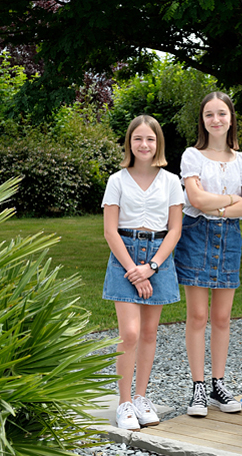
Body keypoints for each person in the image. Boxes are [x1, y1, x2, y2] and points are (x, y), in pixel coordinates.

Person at [174, 92, 242, 417]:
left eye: (222, 114)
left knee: (222, 317)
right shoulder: (192, 156)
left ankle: (217, 384)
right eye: (209, 114)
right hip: (196, 235)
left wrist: (218, 205)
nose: (216, 120)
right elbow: (194, 199)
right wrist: (230, 201)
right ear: (203, 120)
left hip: (229, 239)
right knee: (197, 316)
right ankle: (197, 387)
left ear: (231, 118)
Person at [102, 115, 184, 430]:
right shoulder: (117, 180)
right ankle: (123, 403)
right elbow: (110, 231)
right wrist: (133, 270)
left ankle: (140, 397)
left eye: (150, 139)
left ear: (158, 143)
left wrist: (150, 267)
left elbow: (175, 229)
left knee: (149, 333)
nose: (144, 144)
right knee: (130, 334)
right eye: (138, 139)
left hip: (158, 258)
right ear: (130, 143)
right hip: (124, 257)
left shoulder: (171, 181)